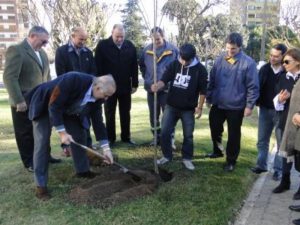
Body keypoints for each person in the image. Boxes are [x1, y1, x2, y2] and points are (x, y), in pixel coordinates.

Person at [25, 72, 116, 200]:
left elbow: (98, 122)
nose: (106, 99)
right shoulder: (73, 79)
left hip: (67, 108)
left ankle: (82, 171)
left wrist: (106, 149)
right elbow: (54, 106)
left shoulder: (98, 98)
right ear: (97, 88)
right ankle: (41, 186)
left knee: (79, 134)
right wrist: (62, 133)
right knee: (42, 143)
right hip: (46, 104)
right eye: (106, 95)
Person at [3, 26, 60, 172]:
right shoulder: (16, 50)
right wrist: (18, 100)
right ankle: (29, 162)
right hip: (24, 100)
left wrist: (50, 95)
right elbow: (10, 77)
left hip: (40, 99)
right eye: (43, 41)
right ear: (32, 36)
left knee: (42, 129)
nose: (45, 44)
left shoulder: (42, 53)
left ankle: (45, 156)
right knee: (25, 132)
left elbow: (46, 77)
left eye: (46, 42)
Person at [206, 32, 259, 172]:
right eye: (228, 48)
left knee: (234, 134)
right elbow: (211, 80)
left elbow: (253, 86)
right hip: (218, 103)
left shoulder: (248, 63)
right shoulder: (219, 60)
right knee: (214, 127)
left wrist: (249, 106)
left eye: (233, 49)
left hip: (236, 106)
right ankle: (217, 150)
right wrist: (209, 97)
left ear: (239, 47)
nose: (230, 51)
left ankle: (231, 160)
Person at [152, 43, 208, 170]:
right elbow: (164, 80)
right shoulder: (174, 64)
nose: (183, 62)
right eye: (182, 58)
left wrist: (199, 107)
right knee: (165, 132)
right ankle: (167, 156)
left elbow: (203, 91)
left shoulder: (200, 70)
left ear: (193, 57)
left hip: (188, 109)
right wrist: (157, 85)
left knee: (188, 135)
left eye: (186, 60)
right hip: (171, 106)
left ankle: (187, 158)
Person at [55, 27, 97, 155]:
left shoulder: (88, 53)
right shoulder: (62, 51)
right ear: (72, 36)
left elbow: (93, 71)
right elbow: (60, 73)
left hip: (85, 93)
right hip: (68, 93)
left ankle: (88, 145)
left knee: (85, 119)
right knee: (69, 120)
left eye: (85, 39)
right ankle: (67, 148)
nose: (83, 42)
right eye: (81, 39)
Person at [95, 24, 138, 146]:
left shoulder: (129, 46)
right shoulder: (102, 46)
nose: (120, 39)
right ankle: (110, 138)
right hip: (107, 87)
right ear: (111, 33)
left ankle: (126, 137)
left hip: (125, 86)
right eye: (117, 36)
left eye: (122, 37)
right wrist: (99, 85)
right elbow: (97, 66)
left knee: (125, 112)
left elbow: (134, 65)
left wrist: (134, 83)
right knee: (109, 112)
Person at [271, 48, 300, 225]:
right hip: (286, 122)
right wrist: (280, 100)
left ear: (297, 61)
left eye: (287, 62)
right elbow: (276, 100)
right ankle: (284, 181)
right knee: (288, 157)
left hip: (297, 125)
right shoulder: (284, 77)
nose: (283, 65)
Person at [251, 44, 287, 180]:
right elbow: (257, 86)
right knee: (262, 140)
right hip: (265, 109)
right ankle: (261, 165)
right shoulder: (264, 69)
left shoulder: (286, 71)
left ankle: (277, 170)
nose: (272, 58)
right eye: (271, 55)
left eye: (276, 56)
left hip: (281, 112)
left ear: (283, 56)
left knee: (280, 142)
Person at [140, 27, 178, 147]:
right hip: (151, 88)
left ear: (163, 36)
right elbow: (142, 66)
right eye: (153, 39)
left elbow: (178, 68)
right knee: (153, 115)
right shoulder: (146, 51)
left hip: (167, 89)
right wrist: (148, 80)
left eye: (158, 39)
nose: (156, 42)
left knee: (168, 116)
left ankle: (170, 139)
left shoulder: (173, 50)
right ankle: (156, 137)